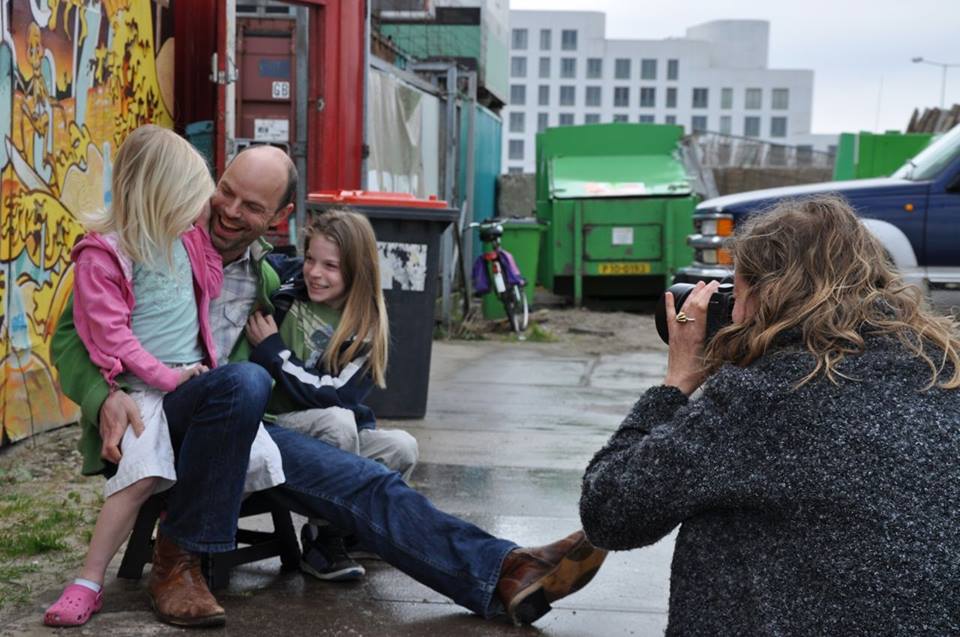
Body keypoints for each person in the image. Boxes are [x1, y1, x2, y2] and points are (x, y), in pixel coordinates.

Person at [52, 142, 606, 628]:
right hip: (152, 422)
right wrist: (106, 397)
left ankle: (504, 572)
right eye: (226, 191)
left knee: (367, 480)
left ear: (280, 215)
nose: (228, 211)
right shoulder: (153, 234)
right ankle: (179, 561)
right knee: (243, 380)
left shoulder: (268, 278)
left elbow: (325, 312)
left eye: (252, 206)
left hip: (241, 425)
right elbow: (70, 339)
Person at [580, 196, 960, 635]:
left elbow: (609, 511)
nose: (732, 312)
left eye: (735, 293)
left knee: (717, 497)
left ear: (766, 294)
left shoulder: (765, 397)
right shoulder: (942, 371)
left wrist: (676, 384)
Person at [43, 125, 223, 627]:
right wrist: (163, 378)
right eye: (189, 198)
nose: (197, 210)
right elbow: (111, 338)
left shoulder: (184, 239)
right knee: (138, 473)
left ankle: (180, 543)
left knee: (250, 456)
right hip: (142, 386)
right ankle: (88, 579)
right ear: (157, 195)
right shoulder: (104, 255)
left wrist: (202, 233)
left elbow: (210, 284)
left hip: (191, 377)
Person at [245, 209, 418, 582]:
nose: (315, 273)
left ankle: (346, 528)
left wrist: (275, 353)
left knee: (402, 447)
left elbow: (334, 396)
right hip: (273, 424)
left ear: (357, 271)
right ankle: (322, 541)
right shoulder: (289, 285)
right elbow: (251, 257)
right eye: (310, 259)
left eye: (331, 266)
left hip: (324, 424)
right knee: (338, 424)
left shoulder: (366, 327)